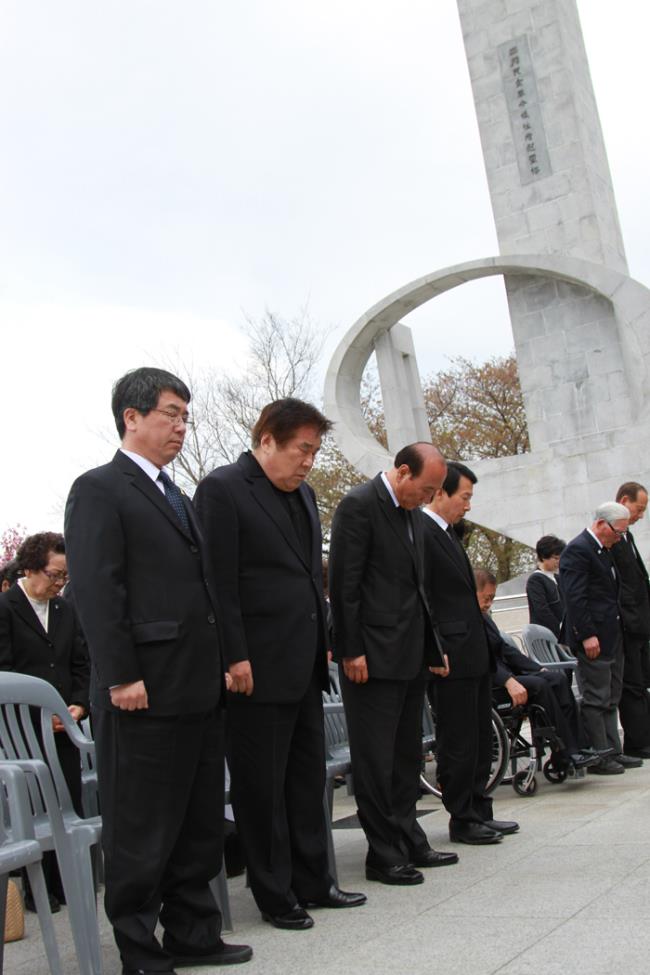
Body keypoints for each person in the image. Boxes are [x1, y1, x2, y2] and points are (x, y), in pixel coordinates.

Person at [64, 367, 251, 975]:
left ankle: (194, 934)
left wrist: (225, 661)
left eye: (185, 417)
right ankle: (140, 951)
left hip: (197, 686)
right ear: (132, 416)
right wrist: (119, 675)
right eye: (171, 413)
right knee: (142, 827)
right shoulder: (99, 489)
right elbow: (98, 589)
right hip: (141, 690)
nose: (181, 426)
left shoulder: (178, 496)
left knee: (198, 823)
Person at [194, 398, 366, 930]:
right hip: (255, 668)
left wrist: (325, 640)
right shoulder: (223, 489)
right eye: (301, 449)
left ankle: (316, 881)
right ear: (267, 440)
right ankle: (274, 894)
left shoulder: (306, 495)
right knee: (261, 789)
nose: (308, 461)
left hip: (304, 664)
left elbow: (310, 578)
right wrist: (234, 655)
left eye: (314, 451)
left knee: (306, 782)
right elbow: (217, 582)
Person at [329, 442, 458, 885]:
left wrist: (433, 647)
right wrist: (351, 650)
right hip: (371, 657)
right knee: (376, 760)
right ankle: (383, 853)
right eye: (425, 488)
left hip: (409, 653)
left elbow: (420, 590)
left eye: (435, 492)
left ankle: (409, 838)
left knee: (407, 756)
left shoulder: (413, 515)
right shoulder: (359, 506)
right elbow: (344, 585)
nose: (428, 498)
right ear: (403, 472)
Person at [422, 462, 517, 845]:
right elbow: (424, 598)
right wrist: (434, 649)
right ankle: (462, 817)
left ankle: (480, 809)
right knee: (458, 741)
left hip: (473, 654)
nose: (468, 505)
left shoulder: (448, 534)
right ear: (440, 492)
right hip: (450, 657)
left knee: (479, 738)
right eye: (464, 497)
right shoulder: (422, 533)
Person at [0, 531, 89, 911]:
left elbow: (81, 664)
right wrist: (39, 712)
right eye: (55, 575)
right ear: (31, 568)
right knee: (34, 809)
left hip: (63, 727)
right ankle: (37, 891)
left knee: (65, 801)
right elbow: (4, 672)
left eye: (65, 577)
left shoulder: (66, 610)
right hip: (21, 732)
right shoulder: (5, 608)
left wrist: (78, 706)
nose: (59, 583)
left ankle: (65, 883)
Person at [475, 568, 594, 770]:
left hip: (505, 674)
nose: (489, 604)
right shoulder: (469, 619)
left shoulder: (484, 617)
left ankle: (579, 746)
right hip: (491, 681)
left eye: (492, 599)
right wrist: (508, 680)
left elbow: (506, 650)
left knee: (557, 679)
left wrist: (537, 668)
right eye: (486, 598)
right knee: (539, 685)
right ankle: (566, 751)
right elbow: (481, 658)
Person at [559, 501, 639, 775]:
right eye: (618, 532)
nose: (619, 538)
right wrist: (586, 634)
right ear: (602, 524)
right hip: (594, 637)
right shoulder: (578, 550)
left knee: (612, 694)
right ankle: (599, 754)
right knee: (596, 696)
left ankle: (613, 750)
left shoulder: (604, 550)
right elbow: (575, 597)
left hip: (612, 634)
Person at [611, 481, 650, 757]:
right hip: (628, 624)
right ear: (624, 501)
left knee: (642, 681)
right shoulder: (612, 540)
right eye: (639, 508)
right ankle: (637, 742)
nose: (641, 515)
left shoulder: (628, 537)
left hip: (641, 624)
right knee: (632, 684)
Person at [526, 535, 566, 639]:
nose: (558, 561)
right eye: (555, 558)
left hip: (561, 633)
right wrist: (560, 628)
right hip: (545, 635)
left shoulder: (557, 578)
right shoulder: (535, 580)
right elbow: (541, 610)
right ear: (543, 557)